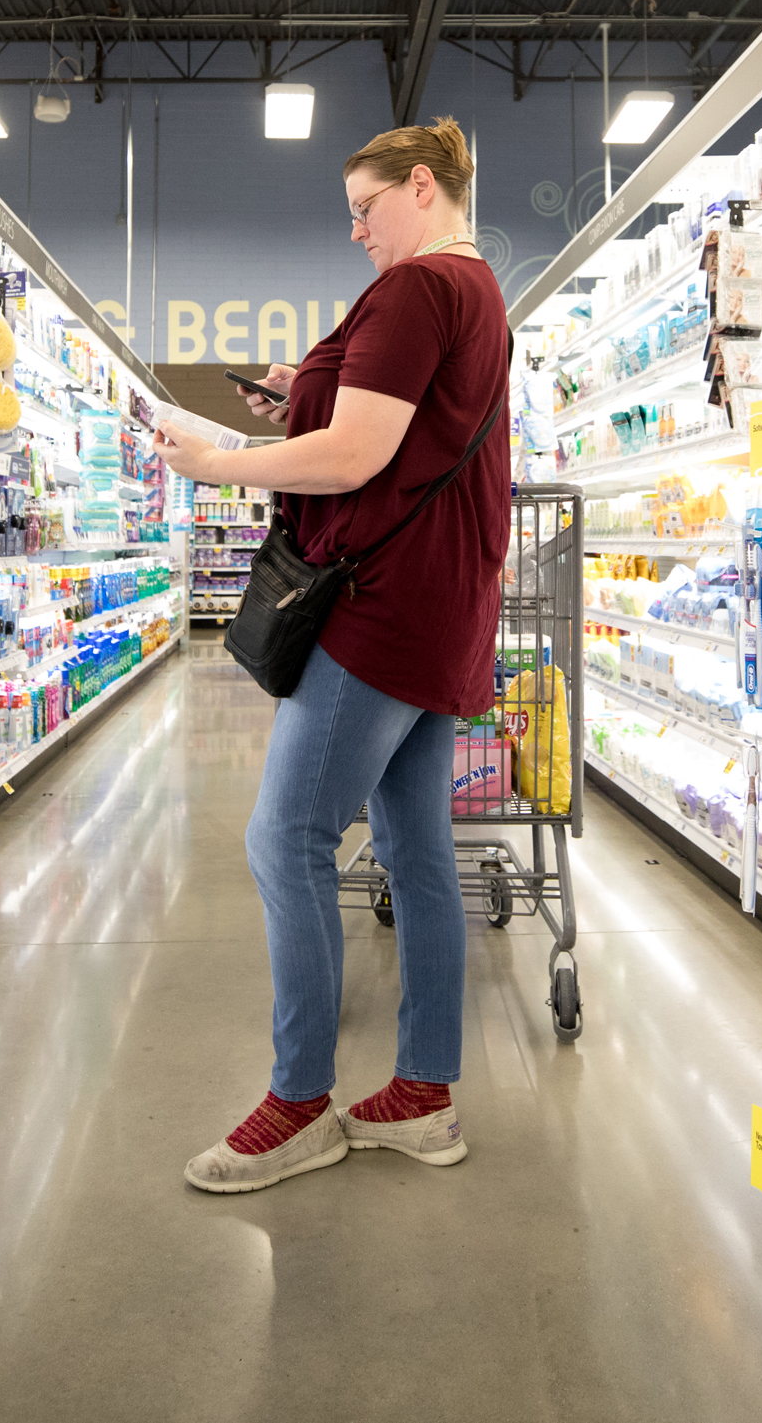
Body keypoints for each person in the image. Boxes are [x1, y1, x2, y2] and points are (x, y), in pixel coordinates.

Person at [151, 117, 511, 1194]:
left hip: (381, 608)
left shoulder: (415, 289)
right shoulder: (478, 293)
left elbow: (358, 452)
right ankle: (423, 1095)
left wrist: (218, 457)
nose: (353, 230)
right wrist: (296, 388)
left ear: (417, 186)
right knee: (414, 851)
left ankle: (299, 1100)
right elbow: (395, 424)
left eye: (362, 208)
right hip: (445, 604)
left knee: (285, 836)